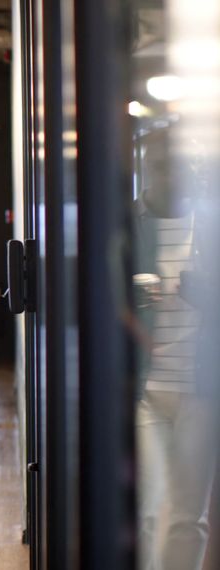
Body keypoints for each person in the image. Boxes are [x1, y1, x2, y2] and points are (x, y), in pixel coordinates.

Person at [131, 128, 217, 570]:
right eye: (161, 165)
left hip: (201, 386)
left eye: (179, 164)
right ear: (144, 167)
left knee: (189, 514)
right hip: (142, 386)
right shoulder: (123, 224)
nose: (171, 175)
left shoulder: (212, 224)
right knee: (144, 508)